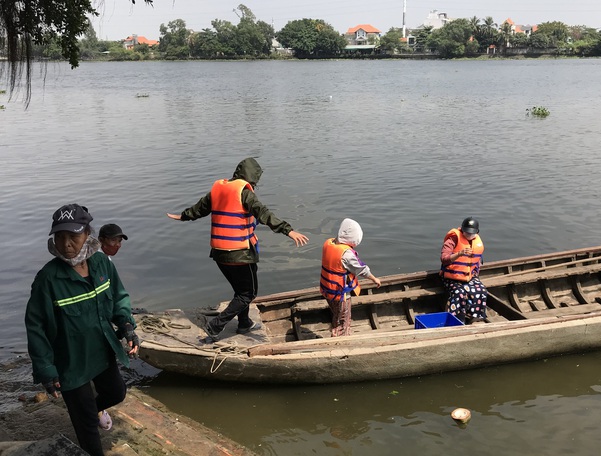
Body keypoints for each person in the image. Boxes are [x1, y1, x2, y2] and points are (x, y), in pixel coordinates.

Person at [24, 204, 140, 456]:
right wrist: (46, 369)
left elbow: (119, 298)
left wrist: (128, 326)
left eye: (73, 237)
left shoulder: (101, 264)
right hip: (70, 362)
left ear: (88, 234)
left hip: (101, 350)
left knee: (116, 392)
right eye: (60, 236)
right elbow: (36, 327)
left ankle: (90, 411)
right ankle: (86, 421)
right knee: (87, 426)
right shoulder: (48, 279)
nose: (66, 244)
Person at [167, 157, 309, 339]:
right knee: (248, 294)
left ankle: (244, 324)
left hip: (219, 254)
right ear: (252, 179)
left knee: (240, 291)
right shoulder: (245, 193)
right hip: (240, 254)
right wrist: (288, 231)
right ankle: (216, 325)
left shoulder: (218, 189)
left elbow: (200, 208)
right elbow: (263, 213)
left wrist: (183, 216)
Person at [320, 218, 381, 337]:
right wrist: (374, 279)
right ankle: (341, 338)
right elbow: (361, 269)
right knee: (344, 318)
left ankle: (336, 329)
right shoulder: (346, 254)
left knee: (337, 314)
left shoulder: (329, 243)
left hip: (327, 289)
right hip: (341, 293)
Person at [439, 216, 488, 324]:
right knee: (459, 293)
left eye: (472, 233)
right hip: (452, 278)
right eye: (467, 232)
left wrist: (474, 274)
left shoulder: (476, 241)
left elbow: (478, 261)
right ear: (462, 230)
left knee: (481, 290)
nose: (469, 235)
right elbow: (444, 259)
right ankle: (457, 320)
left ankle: (474, 318)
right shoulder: (453, 239)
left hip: (469, 276)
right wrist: (459, 253)